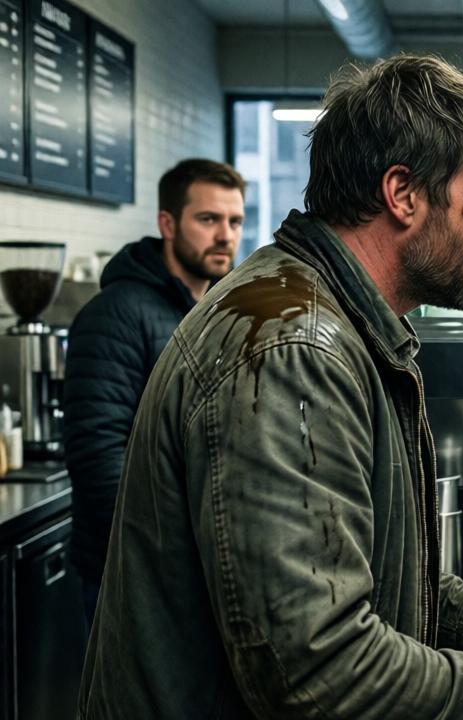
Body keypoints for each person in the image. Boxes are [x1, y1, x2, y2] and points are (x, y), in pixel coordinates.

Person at [79, 54, 463, 719]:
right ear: (402, 195)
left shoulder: (337, 322)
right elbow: (318, 671)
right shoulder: (290, 350)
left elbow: (352, 572)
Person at [65, 158, 245, 623]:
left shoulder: (217, 308)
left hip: (199, 571)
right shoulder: (116, 314)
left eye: (234, 221)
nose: (225, 235)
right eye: (208, 219)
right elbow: (98, 454)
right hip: (132, 576)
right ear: (168, 223)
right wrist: (165, 556)